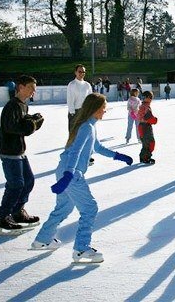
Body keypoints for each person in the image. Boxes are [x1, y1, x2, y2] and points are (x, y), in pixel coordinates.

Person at [31, 93, 132, 263]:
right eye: (103, 108)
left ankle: (42, 239)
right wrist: (69, 174)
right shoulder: (86, 127)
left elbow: (97, 147)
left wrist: (118, 156)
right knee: (90, 209)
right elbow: (76, 151)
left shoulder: (89, 126)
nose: (105, 111)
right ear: (95, 109)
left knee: (63, 208)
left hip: (65, 170)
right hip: (72, 172)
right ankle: (81, 249)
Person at [0, 75, 45, 236]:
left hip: (18, 150)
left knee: (28, 181)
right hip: (9, 150)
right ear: (20, 87)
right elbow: (12, 127)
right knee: (16, 184)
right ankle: (3, 217)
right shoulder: (12, 106)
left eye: (34, 89)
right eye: (30, 88)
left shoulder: (23, 106)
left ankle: (17, 211)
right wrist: (32, 124)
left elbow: (22, 122)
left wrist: (32, 119)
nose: (33, 92)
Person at [138, 91, 158, 164]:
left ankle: (143, 157)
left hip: (141, 126)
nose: (151, 99)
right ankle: (146, 158)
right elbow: (149, 118)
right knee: (150, 143)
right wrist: (155, 120)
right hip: (145, 127)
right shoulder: (146, 107)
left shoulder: (142, 106)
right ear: (147, 98)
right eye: (151, 97)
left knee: (145, 143)